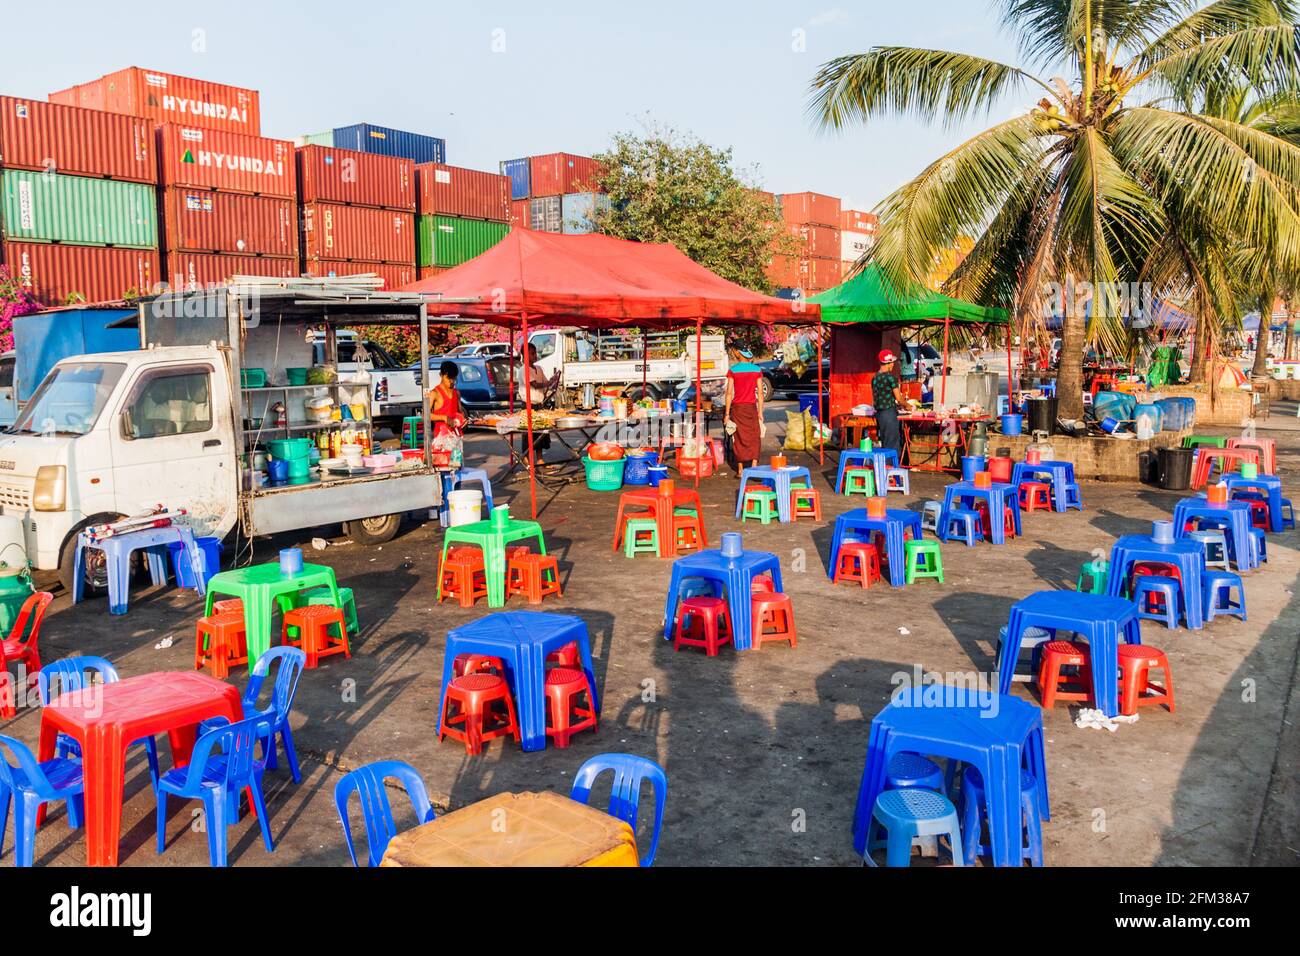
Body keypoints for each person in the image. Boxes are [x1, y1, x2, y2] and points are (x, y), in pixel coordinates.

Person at [724, 344, 765, 475]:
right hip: (751, 408)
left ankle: (741, 470)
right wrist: (760, 412)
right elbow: (760, 393)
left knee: (739, 437)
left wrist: (726, 414)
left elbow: (729, 393)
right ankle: (753, 467)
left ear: (738, 354)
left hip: (738, 409)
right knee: (754, 436)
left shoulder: (733, 370)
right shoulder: (756, 370)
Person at [872, 349, 916, 458]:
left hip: (880, 414)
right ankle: (892, 469)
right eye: (892, 362)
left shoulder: (875, 378)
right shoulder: (891, 378)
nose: (893, 364)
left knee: (885, 441)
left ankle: (885, 468)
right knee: (892, 444)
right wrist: (908, 406)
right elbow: (899, 398)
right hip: (889, 413)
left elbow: (877, 397)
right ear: (888, 363)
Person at [426, 360, 464, 439]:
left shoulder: (457, 393)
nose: (451, 382)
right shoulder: (434, 393)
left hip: (456, 434)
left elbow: (460, 412)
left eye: (453, 379)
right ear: (441, 375)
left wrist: (463, 420)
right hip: (441, 436)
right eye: (448, 378)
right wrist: (444, 418)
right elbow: (425, 415)